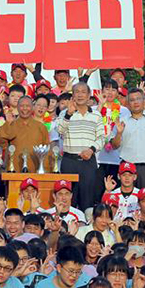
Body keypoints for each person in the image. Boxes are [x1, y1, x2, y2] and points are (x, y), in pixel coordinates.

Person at [55, 82, 105, 211]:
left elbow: (101, 138)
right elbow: (60, 131)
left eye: (83, 92)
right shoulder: (64, 113)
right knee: (67, 200)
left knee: (87, 201)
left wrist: (91, 150)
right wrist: (68, 114)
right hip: (69, 161)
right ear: (72, 95)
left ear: (89, 95)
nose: (80, 95)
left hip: (88, 162)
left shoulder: (96, 115)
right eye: (77, 92)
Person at [0, 96, 49, 173]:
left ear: (32, 107)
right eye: (22, 106)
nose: (25, 108)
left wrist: (46, 171)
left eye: (28, 106)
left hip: (35, 171)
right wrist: (8, 123)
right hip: (13, 171)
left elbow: (47, 152)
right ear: (17, 108)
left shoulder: (41, 127)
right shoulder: (11, 124)